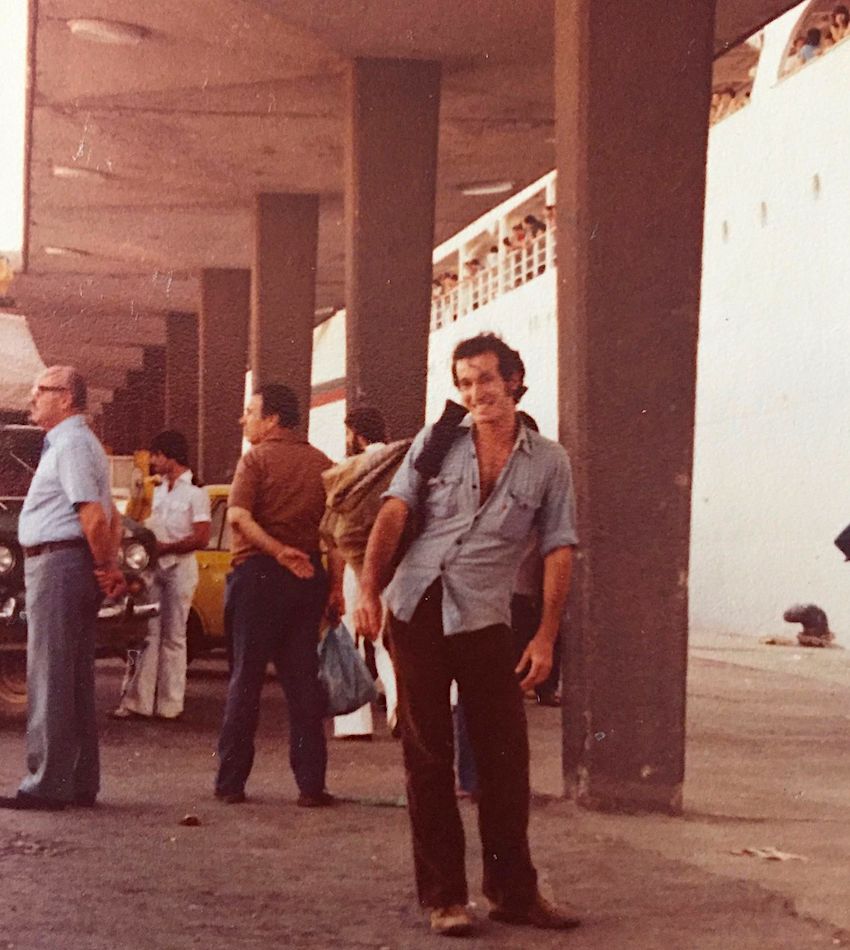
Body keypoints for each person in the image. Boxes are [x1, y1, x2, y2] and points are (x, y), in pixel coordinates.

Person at [355, 333, 580, 936]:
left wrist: (547, 637)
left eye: (485, 378)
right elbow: (394, 511)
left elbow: (559, 548)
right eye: (463, 382)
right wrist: (370, 592)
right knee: (429, 755)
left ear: (513, 381)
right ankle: (444, 898)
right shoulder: (437, 444)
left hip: (486, 619)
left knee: (505, 757)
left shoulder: (549, 462)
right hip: (416, 607)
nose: (475, 392)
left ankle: (513, 893)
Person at [0, 366, 125, 811]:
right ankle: (77, 780)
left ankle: (46, 783)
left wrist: (106, 566)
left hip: (57, 565)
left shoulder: (70, 444)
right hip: (71, 565)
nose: (33, 399)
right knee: (73, 678)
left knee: (50, 675)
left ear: (68, 397)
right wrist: (108, 567)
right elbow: (112, 517)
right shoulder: (82, 444)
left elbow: (92, 516)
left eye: (41, 391)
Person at [214, 383, 343, 807]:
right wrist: (337, 587)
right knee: (302, 683)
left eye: (250, 412)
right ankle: (311, 786)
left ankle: (231, 783)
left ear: (271, 420)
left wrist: (274, 550)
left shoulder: (254, 460)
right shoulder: (324, 465)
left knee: (245, 681)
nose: (243, 419)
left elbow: (237, 515)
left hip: (257, 577)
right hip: (307, 578)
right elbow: (336, 536)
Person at [112, 430, 210, 720]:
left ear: (171, 456)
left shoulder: (196, 492)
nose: (153, 461)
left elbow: (202, 537)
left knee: (175, 636)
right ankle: (139, 702)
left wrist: (168, 547)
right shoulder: (159, 490)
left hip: (180, 567)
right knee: (148, 633)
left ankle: (170, 704)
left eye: (157, 455)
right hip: (156, 568)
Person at [325, 406, 400, 742]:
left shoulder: (348, 469)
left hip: (359, 567)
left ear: (355, 433)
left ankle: (354, 721)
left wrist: (336, 585)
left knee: (354, 637)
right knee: (390, 639)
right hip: (398, 564)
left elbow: (337, 537)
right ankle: (401, 708)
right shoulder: (401, 463)